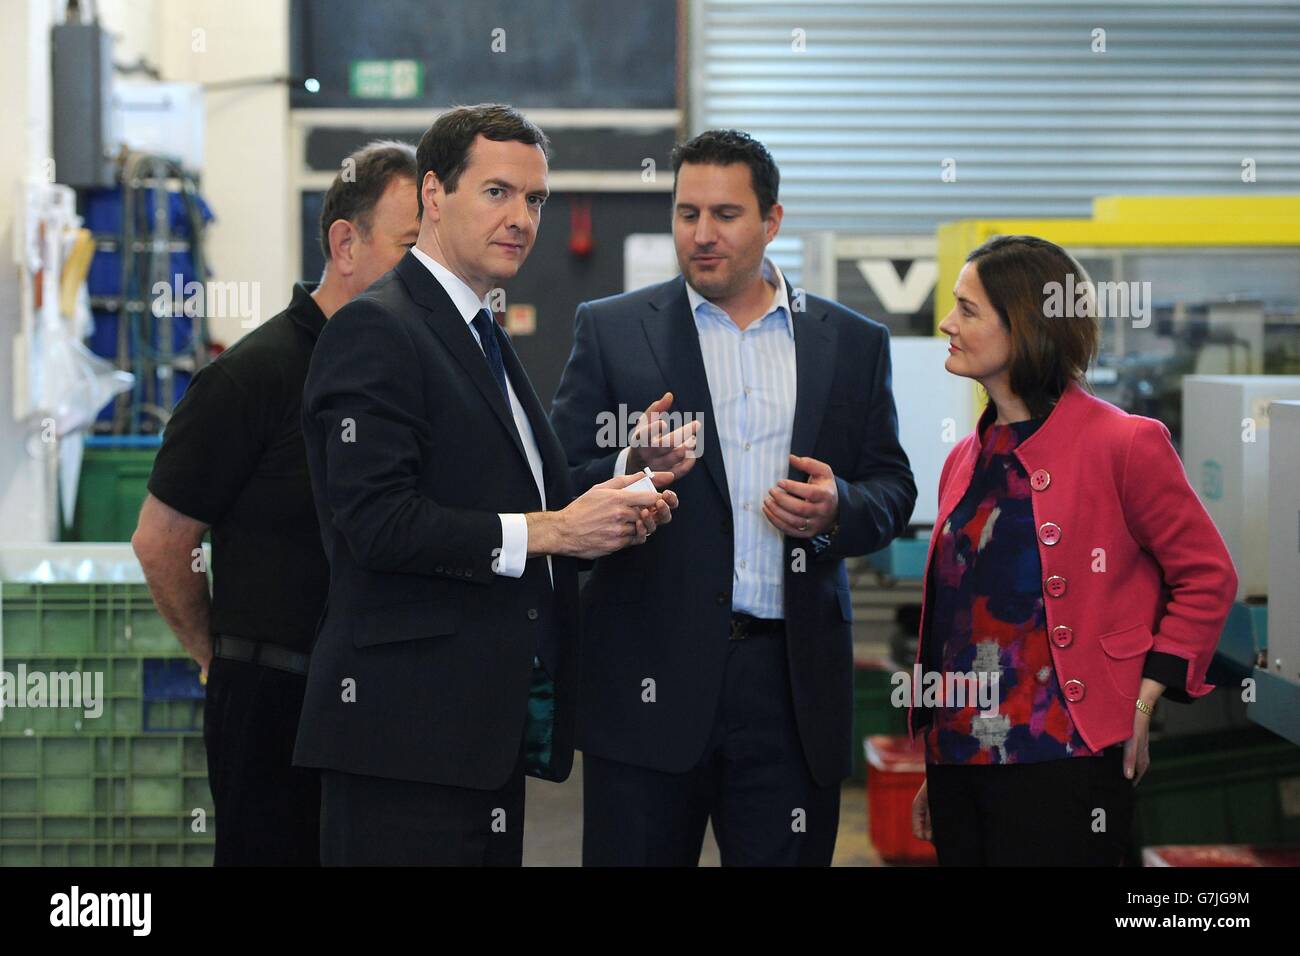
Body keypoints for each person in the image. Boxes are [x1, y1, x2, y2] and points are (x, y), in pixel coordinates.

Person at [292, 103, 677, 866]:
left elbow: (514, 492)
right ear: (434, 194)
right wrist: (557, 532)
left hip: (475, 738)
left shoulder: (479, 331)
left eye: (535, 199)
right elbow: (376, 522)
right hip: (403, 741)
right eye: (497, 192)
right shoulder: (377, 329)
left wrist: (625, 480)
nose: (522, 218)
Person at [551, 129, 917, 866]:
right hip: (646, 682)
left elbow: (893, 487)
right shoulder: (614, 329)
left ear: (772, 221)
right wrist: (628, 462)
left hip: (788, 686)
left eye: (725, 214)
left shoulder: (849, 342)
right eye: (687, 214)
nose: (702, 235)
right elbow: (556, 478)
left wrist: (839, 507)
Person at [132, 140, 421, 865]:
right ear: (344, 243)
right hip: (272, 710)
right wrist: (219, 655)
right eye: (411, 246)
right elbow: (162, 540)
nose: (427, 272)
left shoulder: (412, 375)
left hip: (386, 708)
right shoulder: (251, 379)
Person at [908, 235, 1238, 866]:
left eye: (967, 309)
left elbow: (1208, 575)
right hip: (960, 761)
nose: (948, 324)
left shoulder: (1125, 444)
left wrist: (1143, 700)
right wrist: (940, 761)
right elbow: (960, 620)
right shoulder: (966, 456)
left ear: (1026, 326)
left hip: (1066, 759)